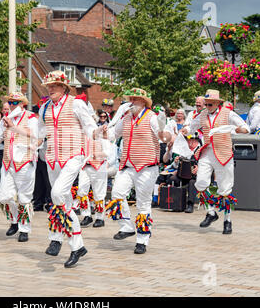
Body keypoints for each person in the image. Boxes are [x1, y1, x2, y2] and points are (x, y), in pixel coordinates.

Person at [38, 70, 106, 268]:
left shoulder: (76, 103)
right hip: (52, 158)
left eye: (54, 85)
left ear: (63, 87)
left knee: (58, 193)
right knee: (61, 200)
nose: (50, 88)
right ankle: (76, 246)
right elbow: (40, 132)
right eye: (48, 86)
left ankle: (59, 238)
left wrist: (98, 131)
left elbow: (89, 126)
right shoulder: (44, 108)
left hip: (73, 155)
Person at [107, 88, 172, 255]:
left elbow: (163, 137)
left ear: (144, 102)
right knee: (116, 194)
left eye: (136, 99)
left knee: (143, 203)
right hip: (127, 166)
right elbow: (113, 134)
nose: (132, 102)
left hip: (147, 167)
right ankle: (127, 227)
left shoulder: (151, 117)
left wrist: (164, 131)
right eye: (131, 99)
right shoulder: (126, 117)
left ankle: (142, 240)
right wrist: (100, 129)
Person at [181, 89, 249, 234]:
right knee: (200, 183)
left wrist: (239, 129)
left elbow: (245, 128)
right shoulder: (202, 115)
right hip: (207, 152)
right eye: (206, 104)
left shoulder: (228, 113)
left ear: (217, 103)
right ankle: (211, 212)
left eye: (211, 103)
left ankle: (227, 220)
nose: (208, 106)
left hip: (224, 153)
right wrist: (185, 130)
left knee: (225, 188)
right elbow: (191, 126)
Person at [0, 92, 38, 243]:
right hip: (8, 162)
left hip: (25, 161)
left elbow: (35, 135)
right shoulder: (5, 119)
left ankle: (24, 229)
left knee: (24, 197)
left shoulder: (31, 117)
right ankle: (14, 220)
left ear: (22, 104)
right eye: (10, 102)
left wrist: (14, 127)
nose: (11, 105)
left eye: (14, 102)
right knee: (3, 196)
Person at [32, 105, 52, 212]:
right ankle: (38, 202)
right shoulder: (37, 124)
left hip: (50, 155)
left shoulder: (50, 125)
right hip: (39, 154)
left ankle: (49, 202)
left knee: (48, 180)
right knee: (39, 181)